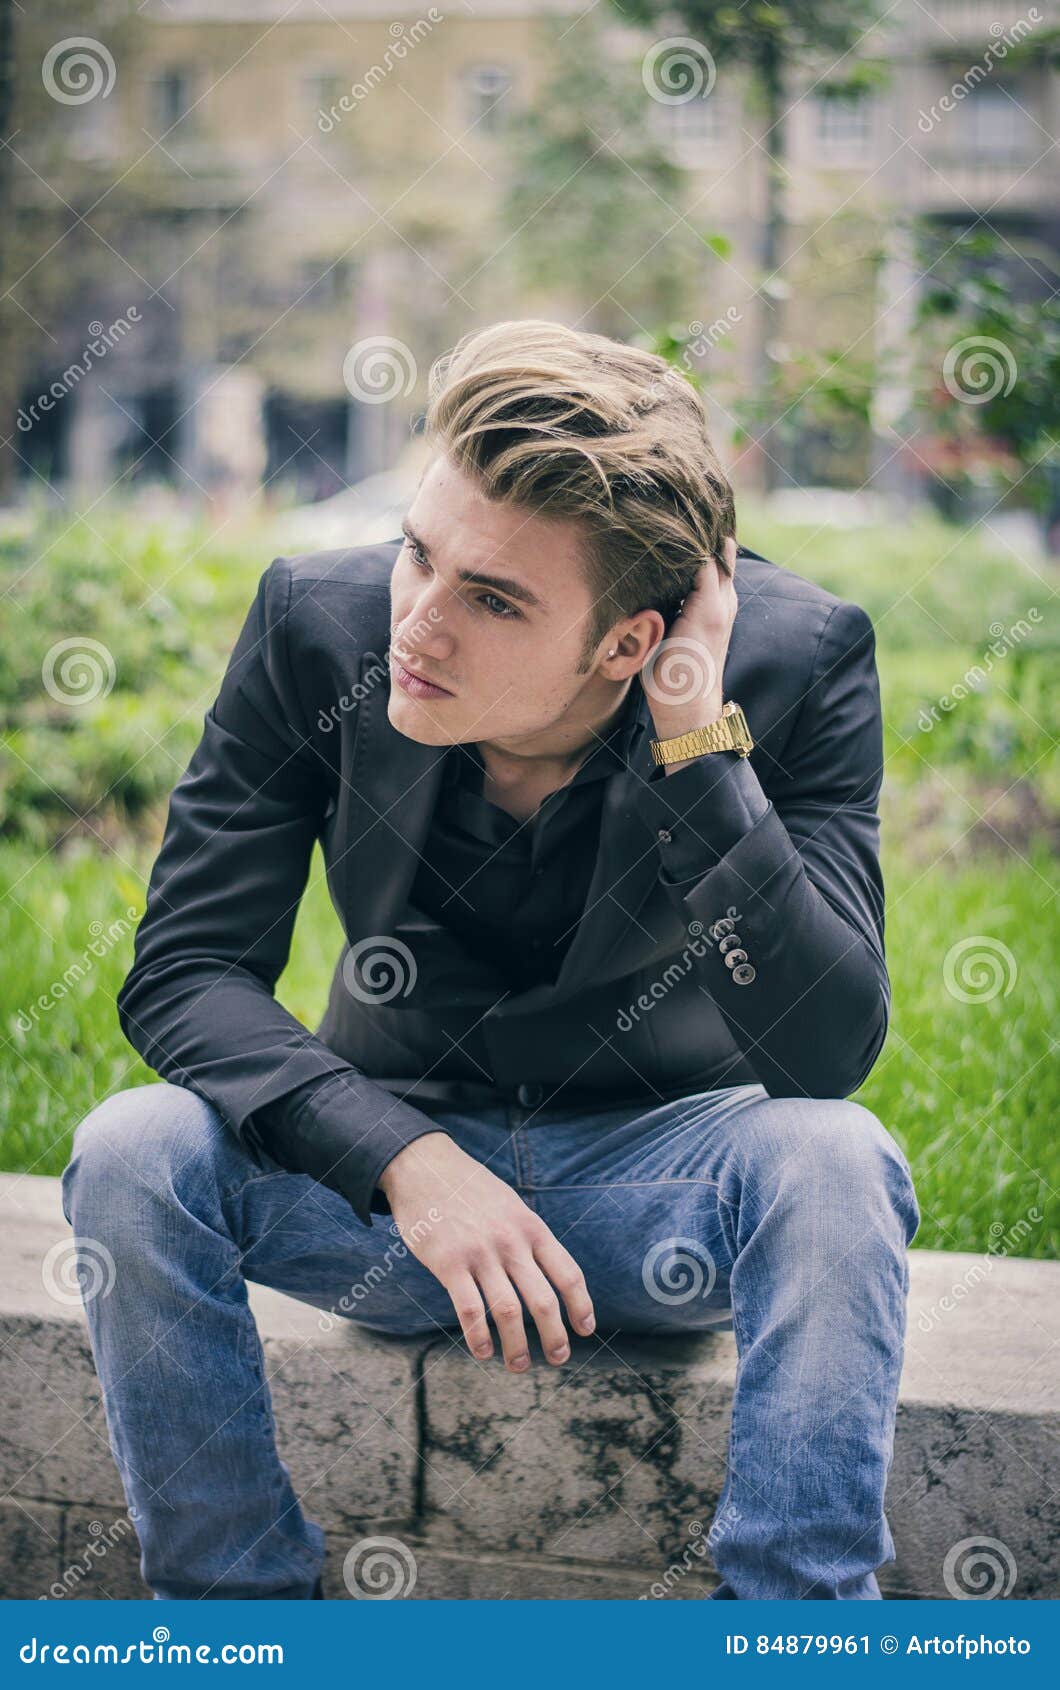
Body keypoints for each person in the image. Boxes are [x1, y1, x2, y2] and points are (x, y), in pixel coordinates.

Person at [62, 319, 919, 1600]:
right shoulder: (320, 625)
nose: (420, 620)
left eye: (494, 598)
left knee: (840, 1162)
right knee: (132, 1151)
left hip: (663, 1181)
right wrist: (405, 1163)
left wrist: (696, 739)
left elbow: (824, 1051)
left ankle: (793, 1637)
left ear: (629, 640)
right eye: (419, 552)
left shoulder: (791, 661)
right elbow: (188, 968)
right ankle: (242, 1628)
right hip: (380, 1195)